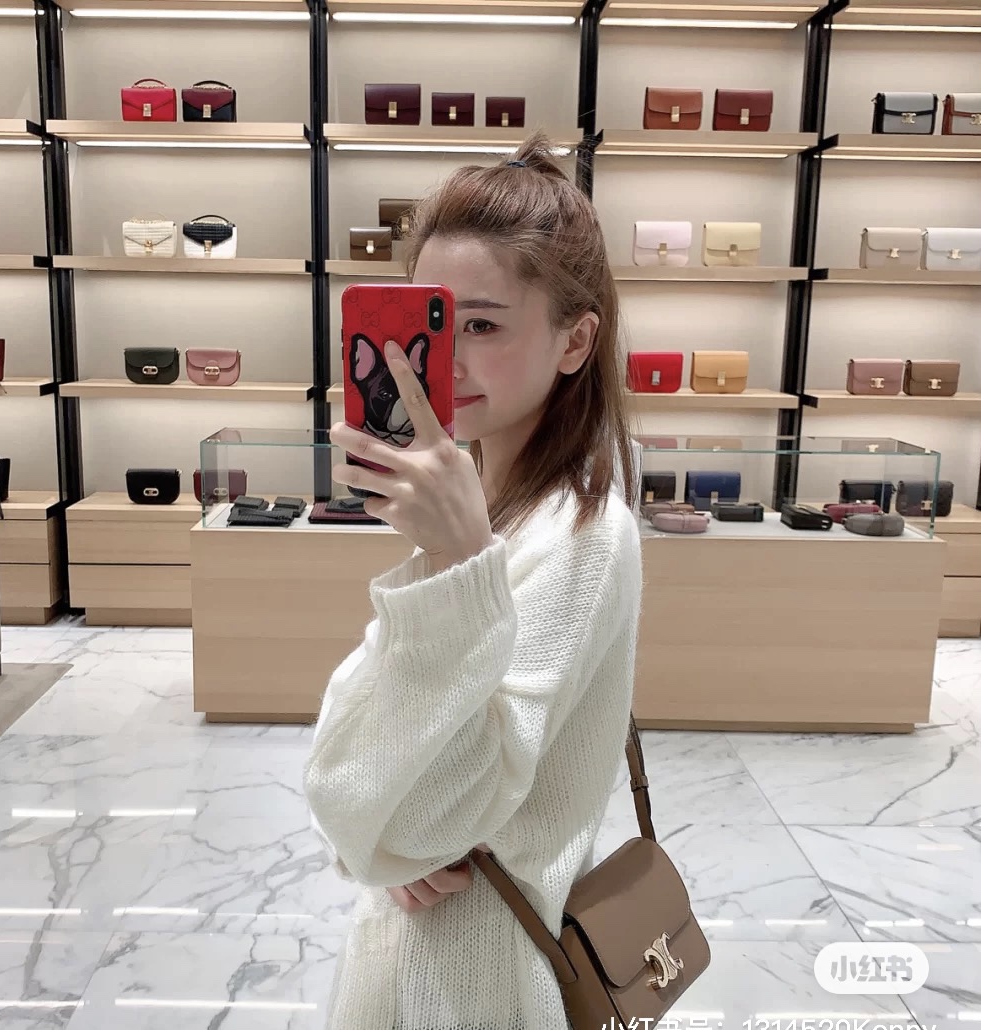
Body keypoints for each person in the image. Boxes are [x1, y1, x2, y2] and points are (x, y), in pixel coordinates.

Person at [302, 131, 643, 1030]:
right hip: (423, 961)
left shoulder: (580, 533)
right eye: (430, 322)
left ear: (576, 341)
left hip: (478, 977)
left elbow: (408, 814)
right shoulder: (489, 507)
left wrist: (458, 567)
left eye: (481, 325)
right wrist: (383, 842)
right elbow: (348, 779)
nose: (439, 362)